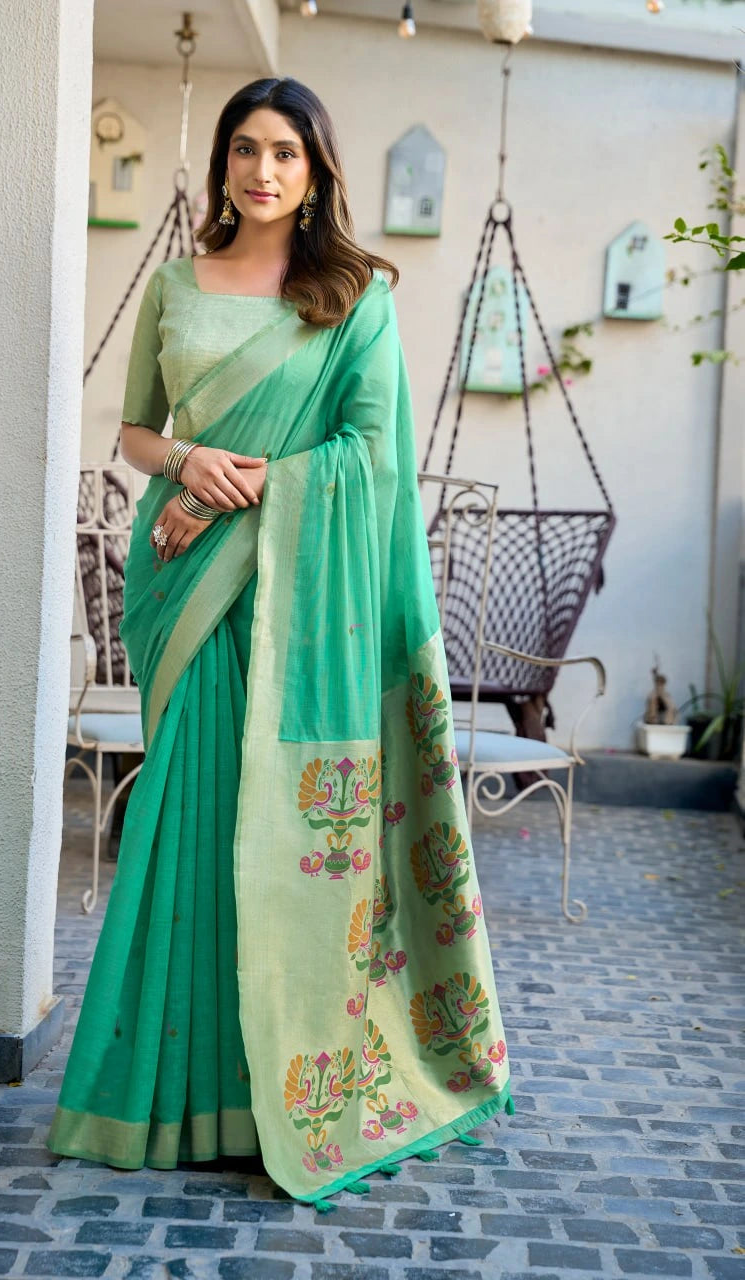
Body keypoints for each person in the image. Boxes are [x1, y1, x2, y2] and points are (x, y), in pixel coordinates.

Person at [47, 75, 513, 1208]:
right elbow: (136, 432)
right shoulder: (173, 282)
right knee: (182, 822)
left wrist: (232, 487)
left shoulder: (355, 297)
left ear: (316, 174)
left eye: (285, 154)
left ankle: (271, 1097)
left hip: (299, 608)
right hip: (188, 593)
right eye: (245, 150)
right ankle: (155, 1097)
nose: (261, 171)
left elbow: (369, 456)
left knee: (272, 836)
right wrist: (185, 468)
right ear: (222, 166)